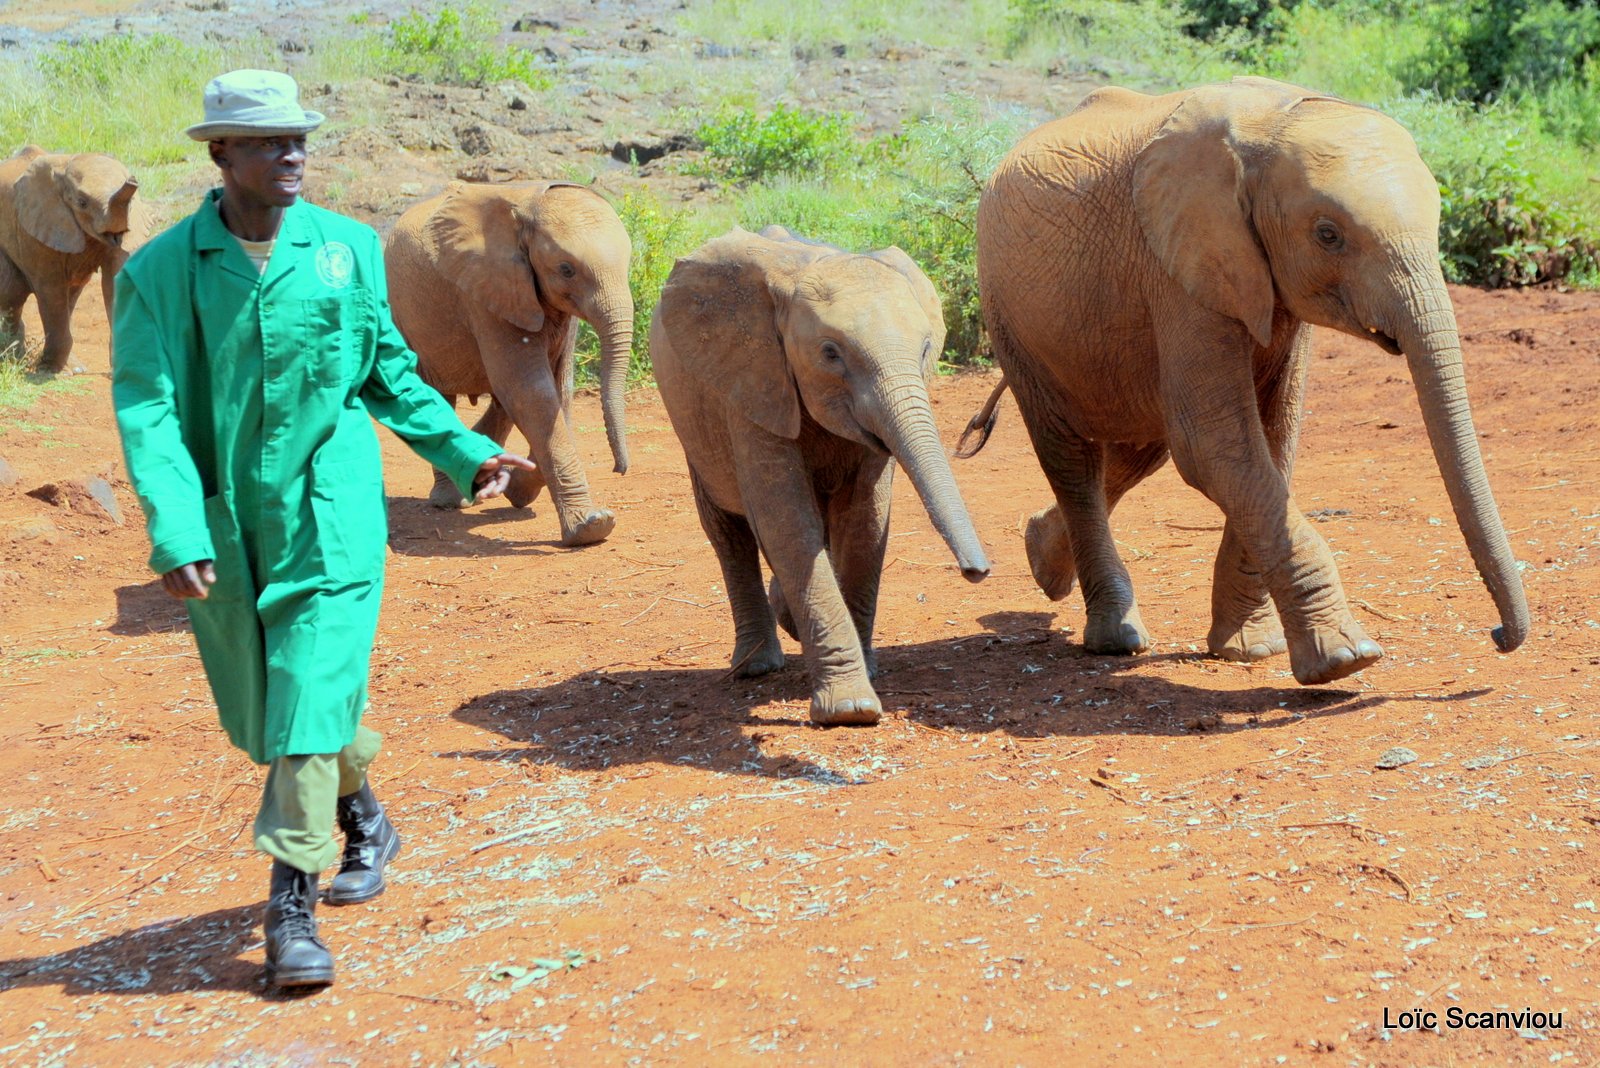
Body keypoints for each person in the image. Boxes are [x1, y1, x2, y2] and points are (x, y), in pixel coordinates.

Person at [111, 70, 537, 991]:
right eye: (267, 141)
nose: (292, 152)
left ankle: (288, 909)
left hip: (332, 515)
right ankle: (367, 820)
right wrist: (176, 526)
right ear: (219, 153)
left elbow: (386, 374)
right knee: (269, 710)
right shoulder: (158, 272)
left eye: (298, 136)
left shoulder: (346, 249)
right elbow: (146, 408)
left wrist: (471, 455)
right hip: (226, 524)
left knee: (305, 693)